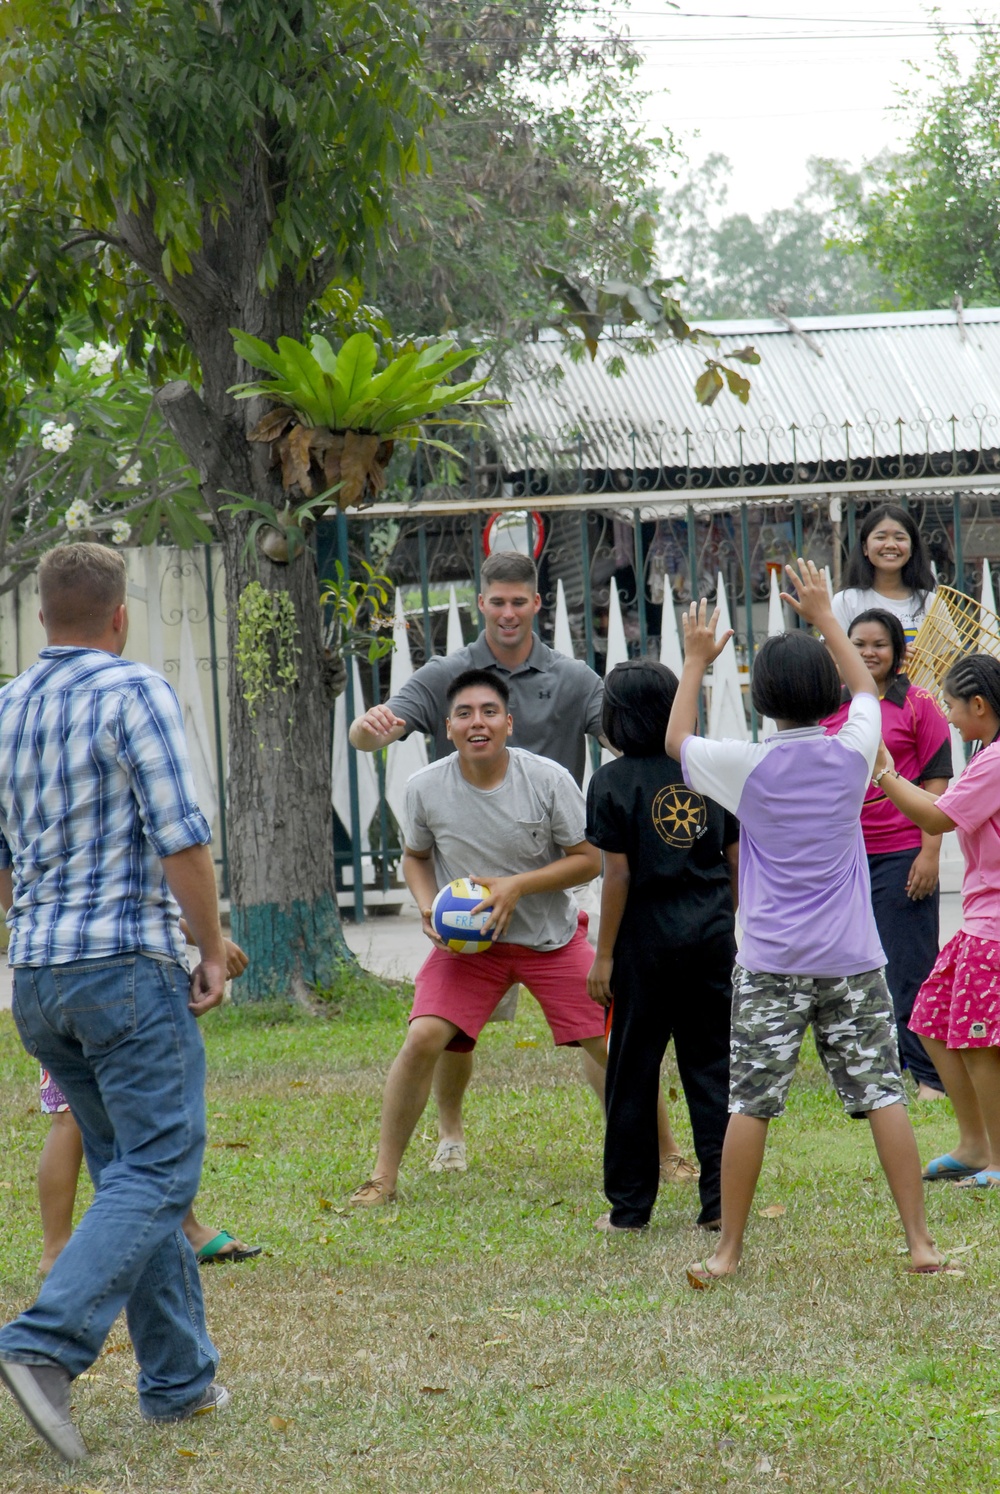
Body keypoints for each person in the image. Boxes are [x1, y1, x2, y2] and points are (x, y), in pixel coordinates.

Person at [350, 551, 688, 1180]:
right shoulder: (447, 681)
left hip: (551, 892)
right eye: (496, 601)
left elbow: (623, 741)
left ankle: (663, 1150)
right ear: (482, 604)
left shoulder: (572, 682)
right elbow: (379, 733)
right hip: (468, 911)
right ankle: (440, 1139)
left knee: (605, 1035)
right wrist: (368, 731)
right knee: (444, 1033)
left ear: (537, 605)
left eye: (519, 602)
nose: (507, 613)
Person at [0, 543, 230, 1463]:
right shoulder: (135, 693)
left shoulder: (7, 707)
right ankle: (43, 1347)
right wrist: (208, 947)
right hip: (124, 969)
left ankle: (178, 1382)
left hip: (41, 978)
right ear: (120, 615)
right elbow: (180, 838)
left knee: (128, 1167)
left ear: (42, 617)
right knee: (163, 1165)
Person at [666, 560, 947, 1286]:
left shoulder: (743, 766)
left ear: (763, 702)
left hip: (769, 962)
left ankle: (727, 1251)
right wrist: (826, 615)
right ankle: (919, 1242)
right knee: (884, 1091)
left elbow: (676, 742)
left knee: (750, 1102)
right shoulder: (854, 749)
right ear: (823, 694)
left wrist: (696, 662)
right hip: (853, 957)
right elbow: (864, 688)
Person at [348, 669, 608, 1207]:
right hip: (469, 948)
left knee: (613, 1042)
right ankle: (383, 1177)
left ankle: (666, 1152)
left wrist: (517, 887)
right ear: (448, 727)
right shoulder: (425, 788)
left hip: (550, 938)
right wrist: (426, 907)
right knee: (424, 1037)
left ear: (509, 722)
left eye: (489, 712)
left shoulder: (548, 779)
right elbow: (416, 858)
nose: (477, 722)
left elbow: (589, 861)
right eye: (464, 714)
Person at [585, 661, 739, 1234]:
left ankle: (629, 1209)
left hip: (642, 950)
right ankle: (720, 1203)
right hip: (709, 941)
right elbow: (734, 861)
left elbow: (617, 878)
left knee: (632, 1073)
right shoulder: (705, 770)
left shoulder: (611, 782)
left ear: (617, 717)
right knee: (712, 1070)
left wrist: (603, 957)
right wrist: (728, 925)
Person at [36, 930, 259, 1277]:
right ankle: (185, 1230)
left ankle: (56, 1248)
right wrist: (206, 938)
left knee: (68, 1119)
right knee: (151, 1111)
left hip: (45, 983)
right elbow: (141, 899)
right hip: (112, 980)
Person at [873, 653, 1000, 1189]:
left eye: (950, 704)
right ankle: (974, 1145)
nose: (945, 715)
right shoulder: (984, 753)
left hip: (992, 923)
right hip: (980, 914)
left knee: (977, 1039)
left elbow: (935, 815)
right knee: (930, 1016)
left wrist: (883, 771)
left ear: (978, 704)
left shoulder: (995, 761)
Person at [822, 609, 952, 1099]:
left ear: (898, 652)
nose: (868, 653)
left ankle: (929, 1077)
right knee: (853, 969)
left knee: (910, 968)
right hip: (844, 859)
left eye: (879, 644)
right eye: (858, 644)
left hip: (904, 854)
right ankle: (880, 1069)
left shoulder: (918, 704)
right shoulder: (832, 707)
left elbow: (938, 784)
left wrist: (930, 854)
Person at [831, 504, 937, 647]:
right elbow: (834, 660)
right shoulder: (846, 602)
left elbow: (949, 662)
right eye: (881, 537)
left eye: (899, 538)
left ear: (912, 548)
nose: (891, 545)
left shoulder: (931, 603)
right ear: (865, 548)